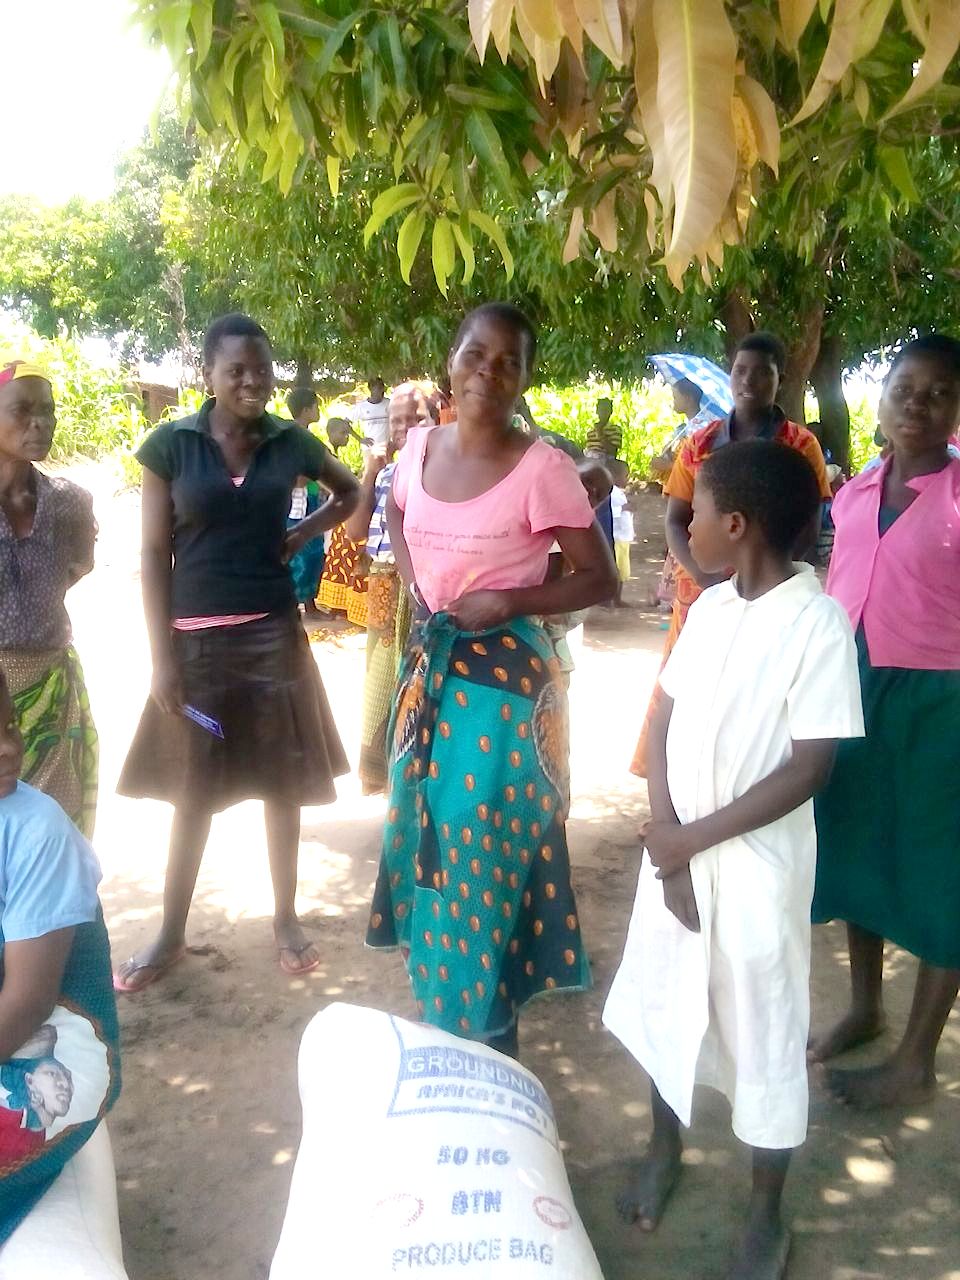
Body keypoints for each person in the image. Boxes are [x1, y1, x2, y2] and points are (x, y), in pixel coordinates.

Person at [604, 440, 862, 1280]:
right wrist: (667, 836)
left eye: (700, 512)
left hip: (755, 872)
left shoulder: (817, 625)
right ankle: (663, 1146)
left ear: (739, 525)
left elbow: (810, 767)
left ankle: (764, 1208)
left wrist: (693, 840)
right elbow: (663, 720)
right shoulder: (711, 609)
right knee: (668, 998)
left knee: (764, 1023)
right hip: (676, 861)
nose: (688, 525)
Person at [366, 303, 617, 1058]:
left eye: (510, 362)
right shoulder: (418, 447)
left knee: (486, 848)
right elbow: (395, 508)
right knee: (427, 835)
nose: (489, 372)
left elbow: (598, 578)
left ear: (525, 378)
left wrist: (510, 599)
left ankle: (492, 1033)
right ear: (452, 361)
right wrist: (417, 582)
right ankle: (446, 1005)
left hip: (505, 692)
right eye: (476, 354)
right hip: (432, 672)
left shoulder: (543, 470)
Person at [114, 313, 359, 991]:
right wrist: (161, 659)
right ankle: (170, 933)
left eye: (262, 370)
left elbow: (349, 493)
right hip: (195, 648)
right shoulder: (171, 446)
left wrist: (301, 534)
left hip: (274, 637)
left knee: (282, 783)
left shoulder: (289, 440)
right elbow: (152, 554)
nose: (253, 382)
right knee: (193, 790)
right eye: (236, 370)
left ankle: (285, 918)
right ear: (209, 375)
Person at [809, 334, 960, 1108]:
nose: (918, 405)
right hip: (852, 686)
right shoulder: (855, 491)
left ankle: (915, 1060)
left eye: (939, 393)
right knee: (854, 846)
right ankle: (866, 1007)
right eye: (905, 389)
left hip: (940, 703)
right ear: (881, 398)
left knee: (943, 870)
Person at [631, 332, 832, 777]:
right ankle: (677, 780)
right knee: (685, 691)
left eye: (762, 372)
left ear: (781, 379)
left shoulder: (800, 446)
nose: (749, 381)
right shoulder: (699, 443)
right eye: (741, 371)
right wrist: (708, 580)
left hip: (771, 590)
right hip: (699, 588)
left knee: (752, 690)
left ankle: (734, 781)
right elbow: (675, 521)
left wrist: (763, 577)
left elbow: (809, 523)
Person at [0, 667, 121, 1245]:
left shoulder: (35, 830)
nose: (7, 747)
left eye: (9, 726)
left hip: (45, 1037)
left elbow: (28, 1002)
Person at [0, 360, 98, 839]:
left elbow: (74, 569)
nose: (39, 423)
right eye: (22, 410)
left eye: (48, 411)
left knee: (50, 829)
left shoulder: (69, 502)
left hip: (51, 692)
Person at [344, 383, 435, 795]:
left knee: (420, 681)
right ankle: (384, 777)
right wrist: (368, 471)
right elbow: (354, 531)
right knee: (381, 680)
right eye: (397, 420)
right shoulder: (383, 474)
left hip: (422, 588)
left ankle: (416, 778)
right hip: (383, 586)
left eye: (416, 419)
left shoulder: (445, 473)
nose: (405, 428)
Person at [285, 388, 326, 615]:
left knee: (311, 551)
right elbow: (298, 476)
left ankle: (308, 603)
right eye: (316, 406)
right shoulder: (296, 438)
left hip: (309, 498)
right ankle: (298, 603)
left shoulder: (301, 436)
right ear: (306, 409)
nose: (318, 410)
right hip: (300, 501)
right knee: (303, 553)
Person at [609, 459, 634, 607]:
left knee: (622, 570)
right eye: (625, 476)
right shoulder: (611, 493)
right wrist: (623, 508)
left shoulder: (618, 493)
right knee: (618, 570)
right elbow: (609, 512)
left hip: (623, 538)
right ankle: (614, 599)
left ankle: (616, 598)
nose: (627, 479)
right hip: (617, 538)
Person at [351, 377, 390, 451]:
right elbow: (345, 423)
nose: (380, 391)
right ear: (370, 389)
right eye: (378, 388)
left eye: (381, 388)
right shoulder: (362, 406)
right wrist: (360, 439)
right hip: (369, 449)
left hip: (386, 449)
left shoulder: (389, 403)